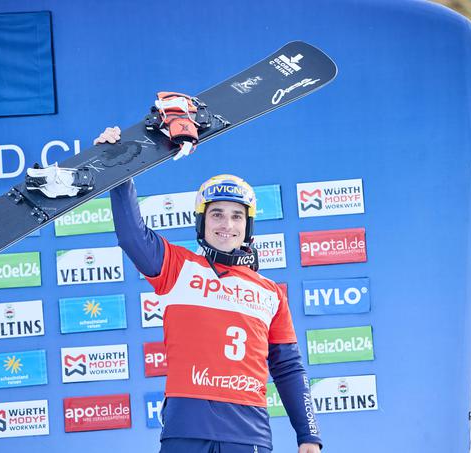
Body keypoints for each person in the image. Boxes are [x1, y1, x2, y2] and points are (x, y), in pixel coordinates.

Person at [96, 127, 323, 453]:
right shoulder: (178, 267)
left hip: (249, 436)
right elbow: (133, 237)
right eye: (217, 214)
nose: (227, 225)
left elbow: (288, 367)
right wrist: (120, 172)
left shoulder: (271, 294)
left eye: (236, 216)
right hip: (185, 430)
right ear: (202, 223)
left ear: (248, 226)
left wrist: (308, 435)